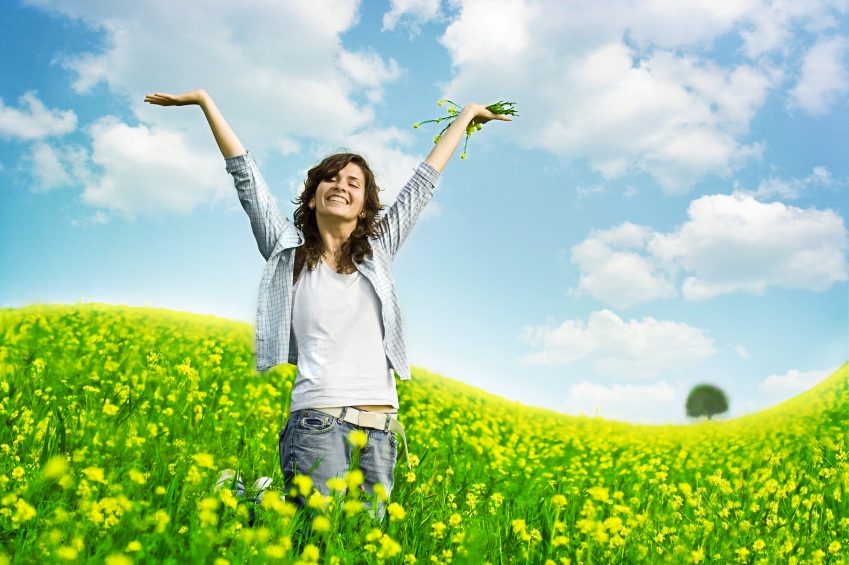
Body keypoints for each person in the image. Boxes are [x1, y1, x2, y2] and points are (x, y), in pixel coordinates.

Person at [144, 89, 510, 517]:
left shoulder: (378, 250)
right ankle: (255, 501)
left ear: (364, 206)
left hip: (381, 431)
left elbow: (422, 184)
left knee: (360, 546)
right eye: (332, 179)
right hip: (318, 420)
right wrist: (205, 102)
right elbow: (246, 179)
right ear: (313, 195)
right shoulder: (288, 253)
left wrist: (466, 116)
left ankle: (253, 499)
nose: (341, 186)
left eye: (354, 183)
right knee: (316, 539)